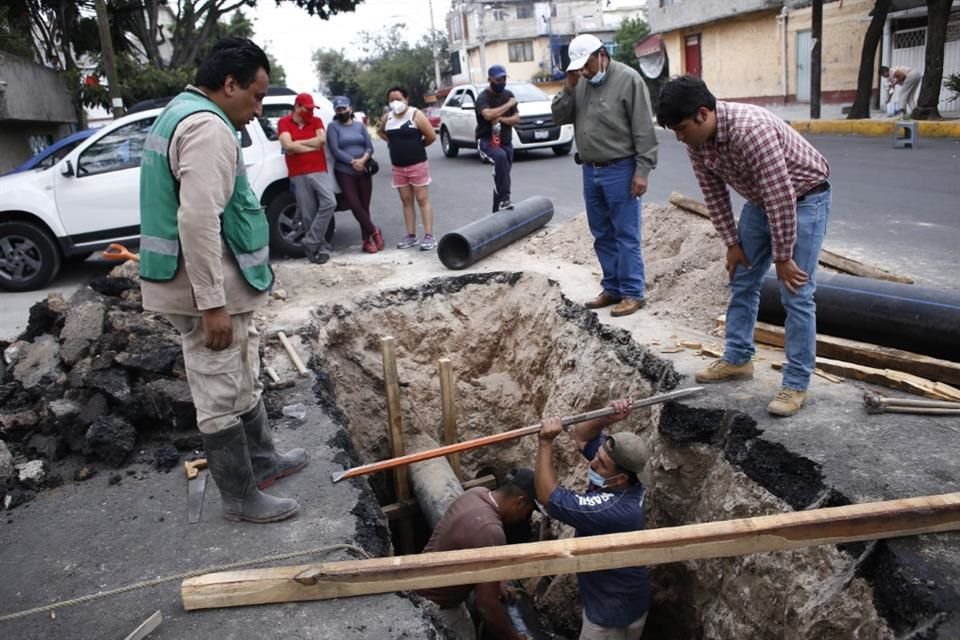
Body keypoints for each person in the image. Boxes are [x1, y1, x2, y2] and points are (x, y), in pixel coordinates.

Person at [139, 37, 307, 524]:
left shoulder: (183, 110)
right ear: (228, 84)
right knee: (217, 388)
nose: (258, 109)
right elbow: (197, 220)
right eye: (255, 96)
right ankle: (239, 496)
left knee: (240, 370)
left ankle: (262, 461)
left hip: (216, 285)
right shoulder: (207, 128)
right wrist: (211, 303)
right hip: (202, 291)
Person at [656, 75, 831, 417]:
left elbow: (781, 197)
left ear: (703, 114)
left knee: (796, 292)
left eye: (681, 128)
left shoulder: (752, 131)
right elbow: (714, 194)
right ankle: (738, 359)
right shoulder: (697, 142)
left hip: (804, 198)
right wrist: (732, 243)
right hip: (760, 203)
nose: (679, 137)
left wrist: (782, 257)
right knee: (742, 278)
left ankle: (795, 383)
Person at [551, 33, 658, 318]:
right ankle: (612, 287)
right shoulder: (579, 84)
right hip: (590, 170)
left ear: (602, 55)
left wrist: (642, 171)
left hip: (621, 169)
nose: (584, 72)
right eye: (579, 68)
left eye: (587, 65)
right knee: (601, 233)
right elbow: (559, 116)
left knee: (626, 234)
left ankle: (633, 292)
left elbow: (644, 131)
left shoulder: (629, 80)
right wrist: (569, 86)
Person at [535, 399, 651, 639]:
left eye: (602, 464)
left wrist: (545, 443)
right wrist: (606, 417)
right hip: (625, 597)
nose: (593, 463)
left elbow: (548, 496)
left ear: (620, 479)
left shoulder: (614, 510)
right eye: (597, 456)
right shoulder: (623, 478)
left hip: (611, 615)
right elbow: (582, 437)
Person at [416, 470, 537, 640]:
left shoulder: (476, 494)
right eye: (528, 511)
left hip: (418, 591)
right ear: (520, 502)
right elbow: (486, 604)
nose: (525, 517)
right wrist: (513, 638)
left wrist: (496, 583)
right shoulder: (491, 531)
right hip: (438, 609)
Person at [277, 92, 336, 265]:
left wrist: (297, 145)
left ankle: (310, 241)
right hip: (298, 172)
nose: (310, 112)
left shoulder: (316, 121)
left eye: (312, 109)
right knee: (308, 213)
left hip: (318, 169)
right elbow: (287, 145)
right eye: (307, 109)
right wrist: (310, 145)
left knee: (329, 202)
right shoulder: (284, 122)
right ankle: (319, 249)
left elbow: (321, 141)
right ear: (297, 107)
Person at [378, 86, 438, 251]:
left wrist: (417, 146)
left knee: (422, 199)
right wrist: (393, 143)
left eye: (398, 98)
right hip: (398, 167)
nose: (395, 102)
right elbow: (381, 132)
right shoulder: (387, 118)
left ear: (406, 99)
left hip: (417, 164)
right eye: (391, 99)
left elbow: (431, 136)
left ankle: (429, 236)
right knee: (406, 201)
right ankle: (411, 235)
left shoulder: (415, 115)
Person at [327, 95, 383, 253]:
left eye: (344, 108)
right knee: (354, 204)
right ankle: (374, 231)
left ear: (350, 108)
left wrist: (363, 160)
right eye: (338, 109)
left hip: (364, 170)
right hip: (344, 171)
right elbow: (335, 150)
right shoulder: (333, 127)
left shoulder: (359, 126)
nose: (341, 111)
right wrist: (353, 162)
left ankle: (366, 241)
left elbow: (369, 146)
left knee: (365, 206)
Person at [476, 64, 521, 212]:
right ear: (490, 80)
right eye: (498, 80)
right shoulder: (483, 97)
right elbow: (487, 115)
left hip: (506, 142)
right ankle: (504, 199)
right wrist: (508, 105)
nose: (501, 83)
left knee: (502, 175)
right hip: (487, 142)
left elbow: (516, 118)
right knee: (500, 159)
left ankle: (496, 210)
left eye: (503, 79)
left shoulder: (508, 94)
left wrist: (501, 119)